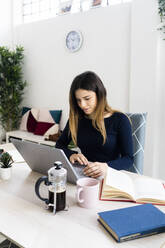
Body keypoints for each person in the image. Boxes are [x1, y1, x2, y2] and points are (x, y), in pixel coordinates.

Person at [55, 71, 133, 178]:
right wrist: (71, 154)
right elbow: (59, 145)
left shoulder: (120, 120)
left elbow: (128, 159)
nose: (82, 105)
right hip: (85, 175)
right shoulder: (76, 119)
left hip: (110, 176)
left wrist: (106, 167)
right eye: (78, 100)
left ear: (100, 94)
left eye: (87, 99)